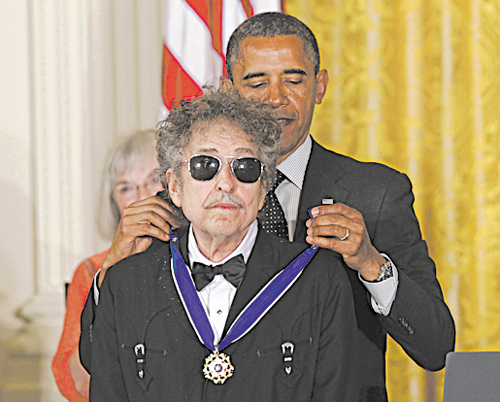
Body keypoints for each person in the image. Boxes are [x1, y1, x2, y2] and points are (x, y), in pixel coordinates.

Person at [81, 12, 455, 401]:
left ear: (320, 85)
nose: (276, 98)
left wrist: (371, 264)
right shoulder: (180, 205)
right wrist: (114, 261)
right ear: (227, 89)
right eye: (256, 81)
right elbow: (104, 359)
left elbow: (436, 347)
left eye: (293, 80)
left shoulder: (376, 193)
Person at [87, 89, 359, 401]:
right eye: (206, 165)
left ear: (262, 189)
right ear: (175, 186)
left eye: (244, 167)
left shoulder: (318, 281)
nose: (226, 183)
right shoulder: (125, 284)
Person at [52, 130, 163, 401]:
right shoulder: (91, 270)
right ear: (114, 202)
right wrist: (114, 271)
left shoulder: (209, 257)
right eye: (126, 188)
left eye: (154, 180)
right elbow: (78, 381)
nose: (142, 196)